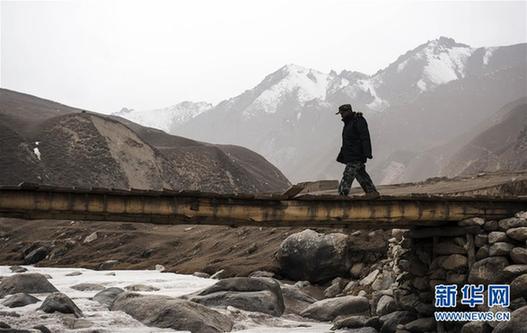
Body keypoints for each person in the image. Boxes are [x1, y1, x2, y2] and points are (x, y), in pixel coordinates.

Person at [335, 104, 380, 198]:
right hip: (352, 156)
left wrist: (367, 153)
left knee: (347, 176)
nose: (341, 115)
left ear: (348, 111)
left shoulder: (358, 121)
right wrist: (342, 155)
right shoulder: (348, 123)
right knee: (362, 176)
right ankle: (372, 193)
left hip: (356, 156)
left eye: (342, 113)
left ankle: (341, 197)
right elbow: (347, 142)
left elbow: (365, 137)